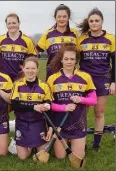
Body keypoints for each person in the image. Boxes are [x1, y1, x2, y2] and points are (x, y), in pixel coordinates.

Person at [47, 43, 97, 161]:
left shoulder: (85, 77)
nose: (69, 62)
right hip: (60, 125)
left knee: (79, 157)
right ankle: (66, 142)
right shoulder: (52, 79)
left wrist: (81, 99)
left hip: (78, 125)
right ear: (61, 60)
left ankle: (75, 142)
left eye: (72, 59)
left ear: (76, 60)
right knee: (60, 157)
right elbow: (48, 105)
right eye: (66, 59)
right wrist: (64, 108)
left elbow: (94, 100)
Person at [76, 8, 115, 152]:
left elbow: (114, 61)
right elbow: (75, 60)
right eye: (91, 21)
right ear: (88, 22)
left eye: (97, 20)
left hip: (103, 79)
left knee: (99, 113)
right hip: (85, 81)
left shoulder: (111, 38)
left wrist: (113, 82)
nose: (94, 23)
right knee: (82, 113)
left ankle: (96, 145)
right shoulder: (82, 38)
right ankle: (82, 142)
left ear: (102, 22)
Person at [10, 57, 52, 160]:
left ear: (38, 69)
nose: (30, 71)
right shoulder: (17, 85)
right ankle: (23, 144)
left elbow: (49, 107)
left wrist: (50, 127)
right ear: (23, 69)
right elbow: (15, 105)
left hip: (39, 123)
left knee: (41, 158)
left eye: (33, 68)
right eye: (27, 68)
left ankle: (34, 145)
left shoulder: (44, 86)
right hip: (22, 123)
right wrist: (34, 107)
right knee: (22, 157)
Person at [37, 4, 79, 79]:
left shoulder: (74, 34)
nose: (61, 19)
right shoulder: (48, 34)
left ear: (68, 17)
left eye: (64, 16)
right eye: (59, 16)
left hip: (70, 74)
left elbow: (79, 53)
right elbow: (35, 51)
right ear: (55, 18)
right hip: (52, 74)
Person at [0, 13, 38, 82]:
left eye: (14, 23)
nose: (11, 25)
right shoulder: (0, 40)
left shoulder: (27, 41)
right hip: (4, 79)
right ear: (6, 25)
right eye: (9, 23)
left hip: (21, 79)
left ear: (19, 23)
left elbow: (33, 61)